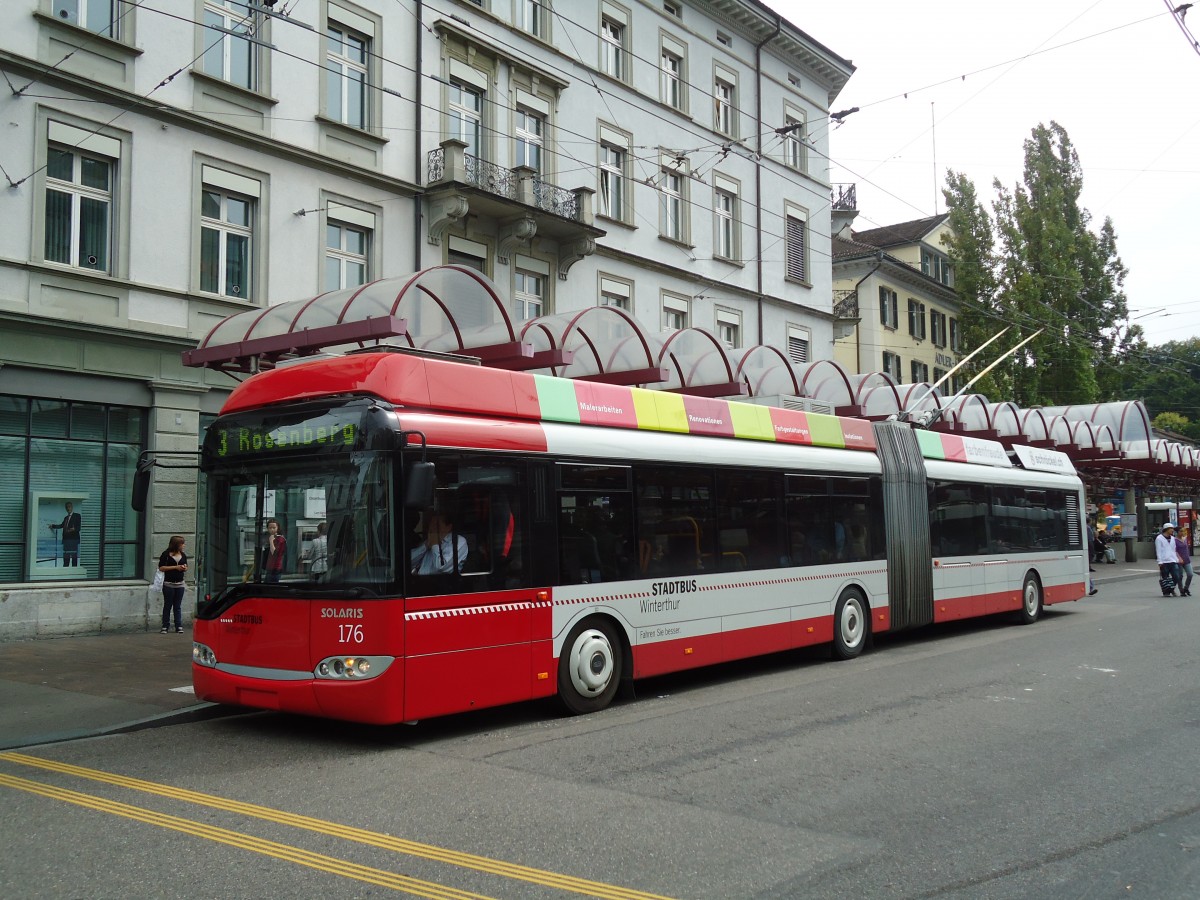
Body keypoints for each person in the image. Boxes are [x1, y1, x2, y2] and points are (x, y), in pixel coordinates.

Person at [410, 507, 467, 575]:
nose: (432, 527)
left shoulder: (458, 541)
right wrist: (426, 546)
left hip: (441, 583)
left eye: (436, 525)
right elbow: (409, 562)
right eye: (431, 524)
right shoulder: (428, 541)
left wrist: (435, 544)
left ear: (449, 527)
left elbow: (441, 567)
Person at [158, 535, 188, 633]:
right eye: (182, 544)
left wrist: (184, 568)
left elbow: (186, 566)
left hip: (180, 584)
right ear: (176, 544)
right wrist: (176, 567)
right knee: (168, 605)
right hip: (168, 584)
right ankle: (165, 625)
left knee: (177, 605)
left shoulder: (183, 555)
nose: (183, 545)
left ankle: (178, 625)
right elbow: (161, 568)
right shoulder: (166, 554)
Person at [49, 501, 82, 567]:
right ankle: (65, 569)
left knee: (74, 557)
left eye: (69, 507)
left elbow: (79, 527)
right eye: (66, 507)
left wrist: (74, 529)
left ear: (72, 507)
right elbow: (61, 525)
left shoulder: (77, 516)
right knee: (66, 557)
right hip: (66, 540)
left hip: (73, 540)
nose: (68, 508)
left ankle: (73, 572)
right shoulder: (66, 518)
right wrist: (53, 526)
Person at [1155, 522, 1182, 597]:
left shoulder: (1173, 538)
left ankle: (1171, 589)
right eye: (1171, 529)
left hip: (1173, 560)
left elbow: (1174, 549)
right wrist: (1160, 561)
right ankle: (1166, 592)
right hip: (1164, 561)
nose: (1172, 530)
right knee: (1165, 577)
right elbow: (1158, 550)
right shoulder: (1159, 538)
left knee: (1176, 576)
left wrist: (1176, 558)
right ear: (1166, 529)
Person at [262, 519, 286, 583]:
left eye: (274, 528)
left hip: (275, 568)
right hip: (269, 567)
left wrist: (271, 541)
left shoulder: (280, 539)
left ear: (278, 528)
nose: (272, 530)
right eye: (270, 528)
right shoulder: (271, 537)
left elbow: (274, 553)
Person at [1175, 529, 1194, 597]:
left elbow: (1186, 549)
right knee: (1180, 576)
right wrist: (1179, 558)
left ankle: (1186, 588)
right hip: (1179, 560)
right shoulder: (1174, 540)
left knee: (1190, 574)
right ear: (1177, 532)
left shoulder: (1185, 539)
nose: (1182, 533)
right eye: (1181, 531)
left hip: (1186, 559)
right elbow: (1175, 550)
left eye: (1183, 531)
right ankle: (1181, 590)